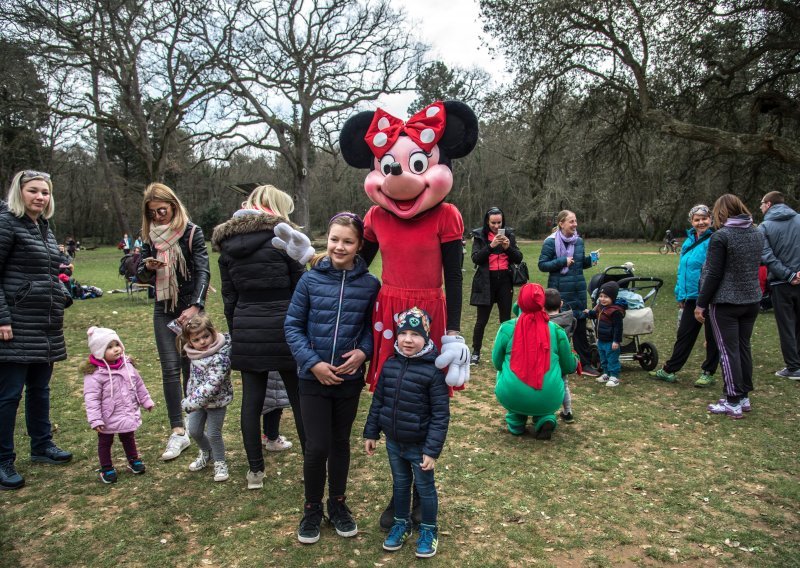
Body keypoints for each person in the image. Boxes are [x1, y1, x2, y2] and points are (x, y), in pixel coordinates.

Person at [285, 212, 380, 545]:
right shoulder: (309, 281)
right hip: (312, 380)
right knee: (317, 446)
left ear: (359, 246)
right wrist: (313, 364)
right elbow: (292, 326)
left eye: (348, 241)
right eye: (334, 239)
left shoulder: (370, 285)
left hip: (348, 380)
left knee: (340, 443)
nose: (339, 247)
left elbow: (372, 328)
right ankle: (312, 508)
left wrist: (363, 353)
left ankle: (337, 503)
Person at [211, 184, 306, 489]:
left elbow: (229, 296)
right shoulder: (282, 239)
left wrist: (237, 330)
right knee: (299, 397)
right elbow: (299, 288)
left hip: (247, 322)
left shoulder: (227, 245)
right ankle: (312, 461)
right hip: (285, 323)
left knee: (251, 401)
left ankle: (255, 471)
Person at [0, 171, 73, 490]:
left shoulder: (42, 227)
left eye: (44, 192)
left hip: (44, 324)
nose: (40, 197)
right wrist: (2, 318)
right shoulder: (7, 223)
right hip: (15, 323)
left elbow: (46, 273)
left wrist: (65, 290)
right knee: (8, 394)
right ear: (20, 192)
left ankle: (41, 445)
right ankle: (3, 459)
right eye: (33, 191)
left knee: (40, 389)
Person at [364, 307, 449, 559]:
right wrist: (371, 432)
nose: (408, 339)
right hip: (393, 443)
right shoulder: (390, 365)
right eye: (403, 333)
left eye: (415, 334)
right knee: (400, 485)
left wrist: (432, 450)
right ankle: (401, 523)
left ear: (426, 337)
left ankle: (428, 529)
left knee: (425, 488)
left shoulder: (433, 372)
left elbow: (440, 415)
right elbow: (378, 401)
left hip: (420, 446)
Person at [137, 183, 210, 461]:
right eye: (152, 212)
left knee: (191, 366)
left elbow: (203, 271)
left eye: (162, 210)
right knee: (169, 369)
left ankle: (195, 423)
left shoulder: (192, 232)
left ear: (174, 206)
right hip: (163, 308)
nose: (158, 216)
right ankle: (177, 430)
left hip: (189, 309)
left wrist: (195, 306)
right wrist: (146, 267)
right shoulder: (149, 237)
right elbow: (141, 276)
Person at [695, 194, 764, 419]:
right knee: (743, 347)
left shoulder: (721, 236)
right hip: (751, 299)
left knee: (728, 350)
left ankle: (733, 399)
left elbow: (713, 273)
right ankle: (743, 395)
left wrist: (701, 303)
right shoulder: (756, 232)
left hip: (726, 302)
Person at [493, 283, 577, 439]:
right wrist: (575, 359)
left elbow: (497, 362)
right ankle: (545, 418)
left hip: (512, 393)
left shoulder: (506, 328)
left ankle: (516, 421)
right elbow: (567, 366)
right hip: (549, 395)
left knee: (504, 370)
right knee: (547, 390)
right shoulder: (557, 330)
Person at [650, 204, 719, 386]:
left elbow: (714, 270)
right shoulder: (689, 241)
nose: (701, 222)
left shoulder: (714, 240)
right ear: (691, 221)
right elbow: (683, 270)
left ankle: (708, 372)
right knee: (685, 334)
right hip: (690, 296)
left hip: (709, 296)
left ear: (711, 220)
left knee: (712, 335)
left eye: (704, 218)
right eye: (697, 219)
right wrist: (680, 294)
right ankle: (670, 370)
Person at [81, 326, 154, 484]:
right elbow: (91, 398)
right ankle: (106, 467)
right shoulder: (95, 374)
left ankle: (133, 459)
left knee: (128, 435)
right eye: (109, 347)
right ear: (99, 351)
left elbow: (139, 384)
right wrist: (95, 419)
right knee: (105, 441)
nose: (115, 349)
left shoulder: (127, 365)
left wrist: (146, 401)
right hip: (107, 416)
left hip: (126, 411)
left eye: (117, 345)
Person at [537, 210, 600, 376]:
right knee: (559, 327)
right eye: (571, 221)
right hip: (559, 290)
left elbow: (578, 264)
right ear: (561, 223)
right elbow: (542, 265)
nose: (575, 224)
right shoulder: (550, 242)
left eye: (576, 221)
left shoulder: (578, 241)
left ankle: (584, 364)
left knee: (579, 325)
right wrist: (562, 261)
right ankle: (553, 362)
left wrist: (590, 261)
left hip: (577, 288)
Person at [179, 314, 233, 483]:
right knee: (194, 430)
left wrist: (190, 402)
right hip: (197, 402)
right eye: (196, 339)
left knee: (213, 433)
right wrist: (192, 396)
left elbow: (212, 384)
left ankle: (220, 462)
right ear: (189, 341)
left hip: (216, 402)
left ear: (213, 333)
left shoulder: (220, 357)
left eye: (205, 336)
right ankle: (206, 451)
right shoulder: (194, 354)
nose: (202, 342)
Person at [468, 206, 524, 365]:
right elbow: (476, 259)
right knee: (481, 320)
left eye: (499, 222)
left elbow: (518, 258)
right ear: (487, 221)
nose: (497, 226)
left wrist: (508, 248)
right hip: (486, 281)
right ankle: (476, 352)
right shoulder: (480, 236)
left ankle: (507, 351)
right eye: (493, 223)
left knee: (505, 320)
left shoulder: (509, 234)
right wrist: (491, 246)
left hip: (505, 281)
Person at [758, 191, 800, 379]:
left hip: (780, 283)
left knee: (786, 326)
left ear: (768, 204)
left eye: (761, 204)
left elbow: (766, 256)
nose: (760, 208)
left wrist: (788, 275)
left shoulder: (765, 227)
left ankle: (793, 366)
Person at [585, 281, 627, 387]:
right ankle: (606, 374)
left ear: (612, 297)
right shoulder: (601, 307)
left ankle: (614, 376)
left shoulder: (615, 311)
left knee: (612, 359)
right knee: (603, 358)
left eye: (606, 297)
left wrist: (616, 341)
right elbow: (596, 314)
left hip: (611, 341)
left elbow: (618, 328)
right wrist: (589, 312)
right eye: (601, 296)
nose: (603, 299)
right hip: (601, 339)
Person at [545, 288, 577, 423]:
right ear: (561, 304)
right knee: (564, 385)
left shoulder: (545, 322)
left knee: (547, 385)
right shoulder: (570, 319)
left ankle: (546, 411)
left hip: (548, 360)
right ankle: (567, 411)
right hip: (563, 357)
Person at [261, 371, 293, 452]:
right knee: (275, 408)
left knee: (269, 407)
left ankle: (267, 436)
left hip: (269, 376)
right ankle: (273, 441)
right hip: (275, 376)